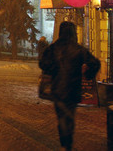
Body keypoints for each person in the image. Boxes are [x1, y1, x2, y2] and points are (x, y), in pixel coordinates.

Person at [39, 21, 100, 151]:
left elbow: (43, 63)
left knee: (62, 116)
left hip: (58, 89)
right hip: (73, 88)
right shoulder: (79, 49)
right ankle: (68, 144)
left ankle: (64, 143)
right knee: (69, 117)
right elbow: (95, 63)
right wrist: (88, 74)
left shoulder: (53, 48)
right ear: (74, 33)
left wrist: (53, 69)